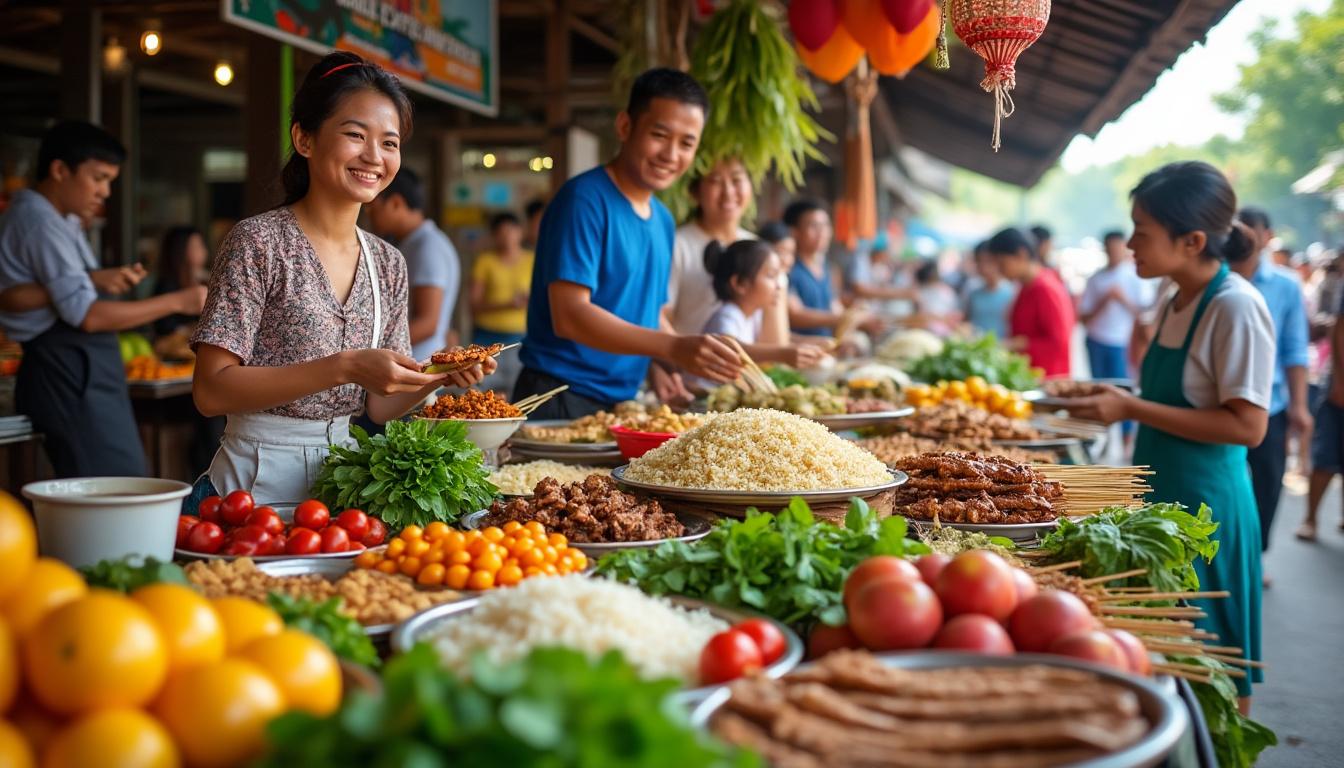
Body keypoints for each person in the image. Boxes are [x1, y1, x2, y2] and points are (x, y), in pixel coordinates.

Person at [190, 52, 492, 506]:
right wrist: (344, 366)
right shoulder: (258, 242)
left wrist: (438, 376)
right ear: (305, 139)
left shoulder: (388, 263)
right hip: (249, 489)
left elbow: (379, 405)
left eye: (389, 143)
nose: (374, 156)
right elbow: (210, 391)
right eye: (355, 135)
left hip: (343, 485)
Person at [1066, 161, 1272, 709]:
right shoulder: (1174, 297)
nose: (1130, 243)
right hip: (1161, 499)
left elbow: (1249, 426)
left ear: (1192, 241)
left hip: (1207, 509)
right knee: (1169, 655)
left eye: (1142, 231)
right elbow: (1170, 394)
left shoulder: (1234, 307)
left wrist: (1132, 407)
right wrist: (1106, 395)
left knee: (1213, 667)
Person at [514, 68, 741, 418]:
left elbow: (649, 313)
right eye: (659, 135)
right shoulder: (584, 199)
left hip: (619, 401)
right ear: (625, 127)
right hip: (559, 396)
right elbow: (570, 316)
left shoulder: (663, 219)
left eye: (687, 143)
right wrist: (674, 346)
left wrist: (659, 362)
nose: (671, 154)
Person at [0, 120, 206, 478]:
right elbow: (88, 316)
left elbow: (45, 292)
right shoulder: (39, 221)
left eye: (110, 180)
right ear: (60, 170)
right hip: (65, 368)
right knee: (113, 487)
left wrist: (93, 278)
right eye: (98, 178)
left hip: (79, 370)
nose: (105, 192)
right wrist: (178, 301)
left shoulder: (61, 220)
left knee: (117, 484)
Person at [1230, 207, 1310, 562]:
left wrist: (1299, 405)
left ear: (1267, 237)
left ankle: (1255, 554)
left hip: (1270, 403)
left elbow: (1295, 349)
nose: (1244, 238)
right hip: (1221, 405)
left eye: (1251, 231)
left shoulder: (1286, 285)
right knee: (1227, 481)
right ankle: (1226, 554)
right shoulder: (1218, 280)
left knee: (1267, 481)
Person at [364, 167, 459, 362]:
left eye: (372, 206)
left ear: (396, 203)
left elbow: (427, 323)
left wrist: (368, 352)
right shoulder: (411, 243)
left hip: (418, 366)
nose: (368, 214)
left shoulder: (427, 247)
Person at [665, 157, 756, 337]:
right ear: (695, 192)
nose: (728, 192)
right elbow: (663, 317)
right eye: (715, 181)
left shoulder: (757, 247)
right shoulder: (677, 245)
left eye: (737, 180)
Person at [783, 198, 875, 338]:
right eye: (813, 226)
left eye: (825, 225)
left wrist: (855, 315)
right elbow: (794, 315)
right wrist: (848, 318)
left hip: (825, 350)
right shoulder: (788, 269)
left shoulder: (826, 268)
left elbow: (834, 307)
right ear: (795, 232)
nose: (822, 233)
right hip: (800, 352)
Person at [989, 228, 1075, 377]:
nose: (999, 270)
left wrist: (1016, 344)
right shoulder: (1026, 286)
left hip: (1048, 379)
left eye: (1002, 263)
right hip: (1029, 375)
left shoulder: (1045, 288)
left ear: (1021, 255)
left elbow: (1058, 342)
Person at [469, 212, 533, 394]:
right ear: (494, 236)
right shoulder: (485, 261)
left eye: (511, 231)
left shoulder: (531, 260)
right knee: (480, 393)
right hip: (486, 339)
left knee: (517, 396)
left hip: (520, 340)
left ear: (520, 232)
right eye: (501, 232)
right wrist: (508, 305)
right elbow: (474, 304)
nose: (507, 237)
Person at [1299, 285, 1344, 541]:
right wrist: (1340, 379)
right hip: (1338, 387)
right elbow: (1340, 327)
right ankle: (1310, 518)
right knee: (1326, 456)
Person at [1079, 230, 1148, 380]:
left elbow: (1144, 315)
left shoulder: (1135, 277)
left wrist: (1122, 299)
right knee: (1098, 384)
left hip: (1122, 341)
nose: (1114, 253)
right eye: (1111, 249)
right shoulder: (1095, 279)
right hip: (1096, 339)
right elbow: (1083, 318)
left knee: (1120, 385)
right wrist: (1104, 300)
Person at [152, 226, 210, 357]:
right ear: (180, 251)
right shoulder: (168, 286)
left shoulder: (205, 279)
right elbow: (165, 329)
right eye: (196, 246)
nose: (204, 251)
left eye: (202, 246)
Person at [964, 240, 1015, 339]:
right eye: (979, 261)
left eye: (988, 261)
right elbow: (967, 320)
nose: (983, 267)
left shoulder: (1012, 292)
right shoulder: (973, 292)